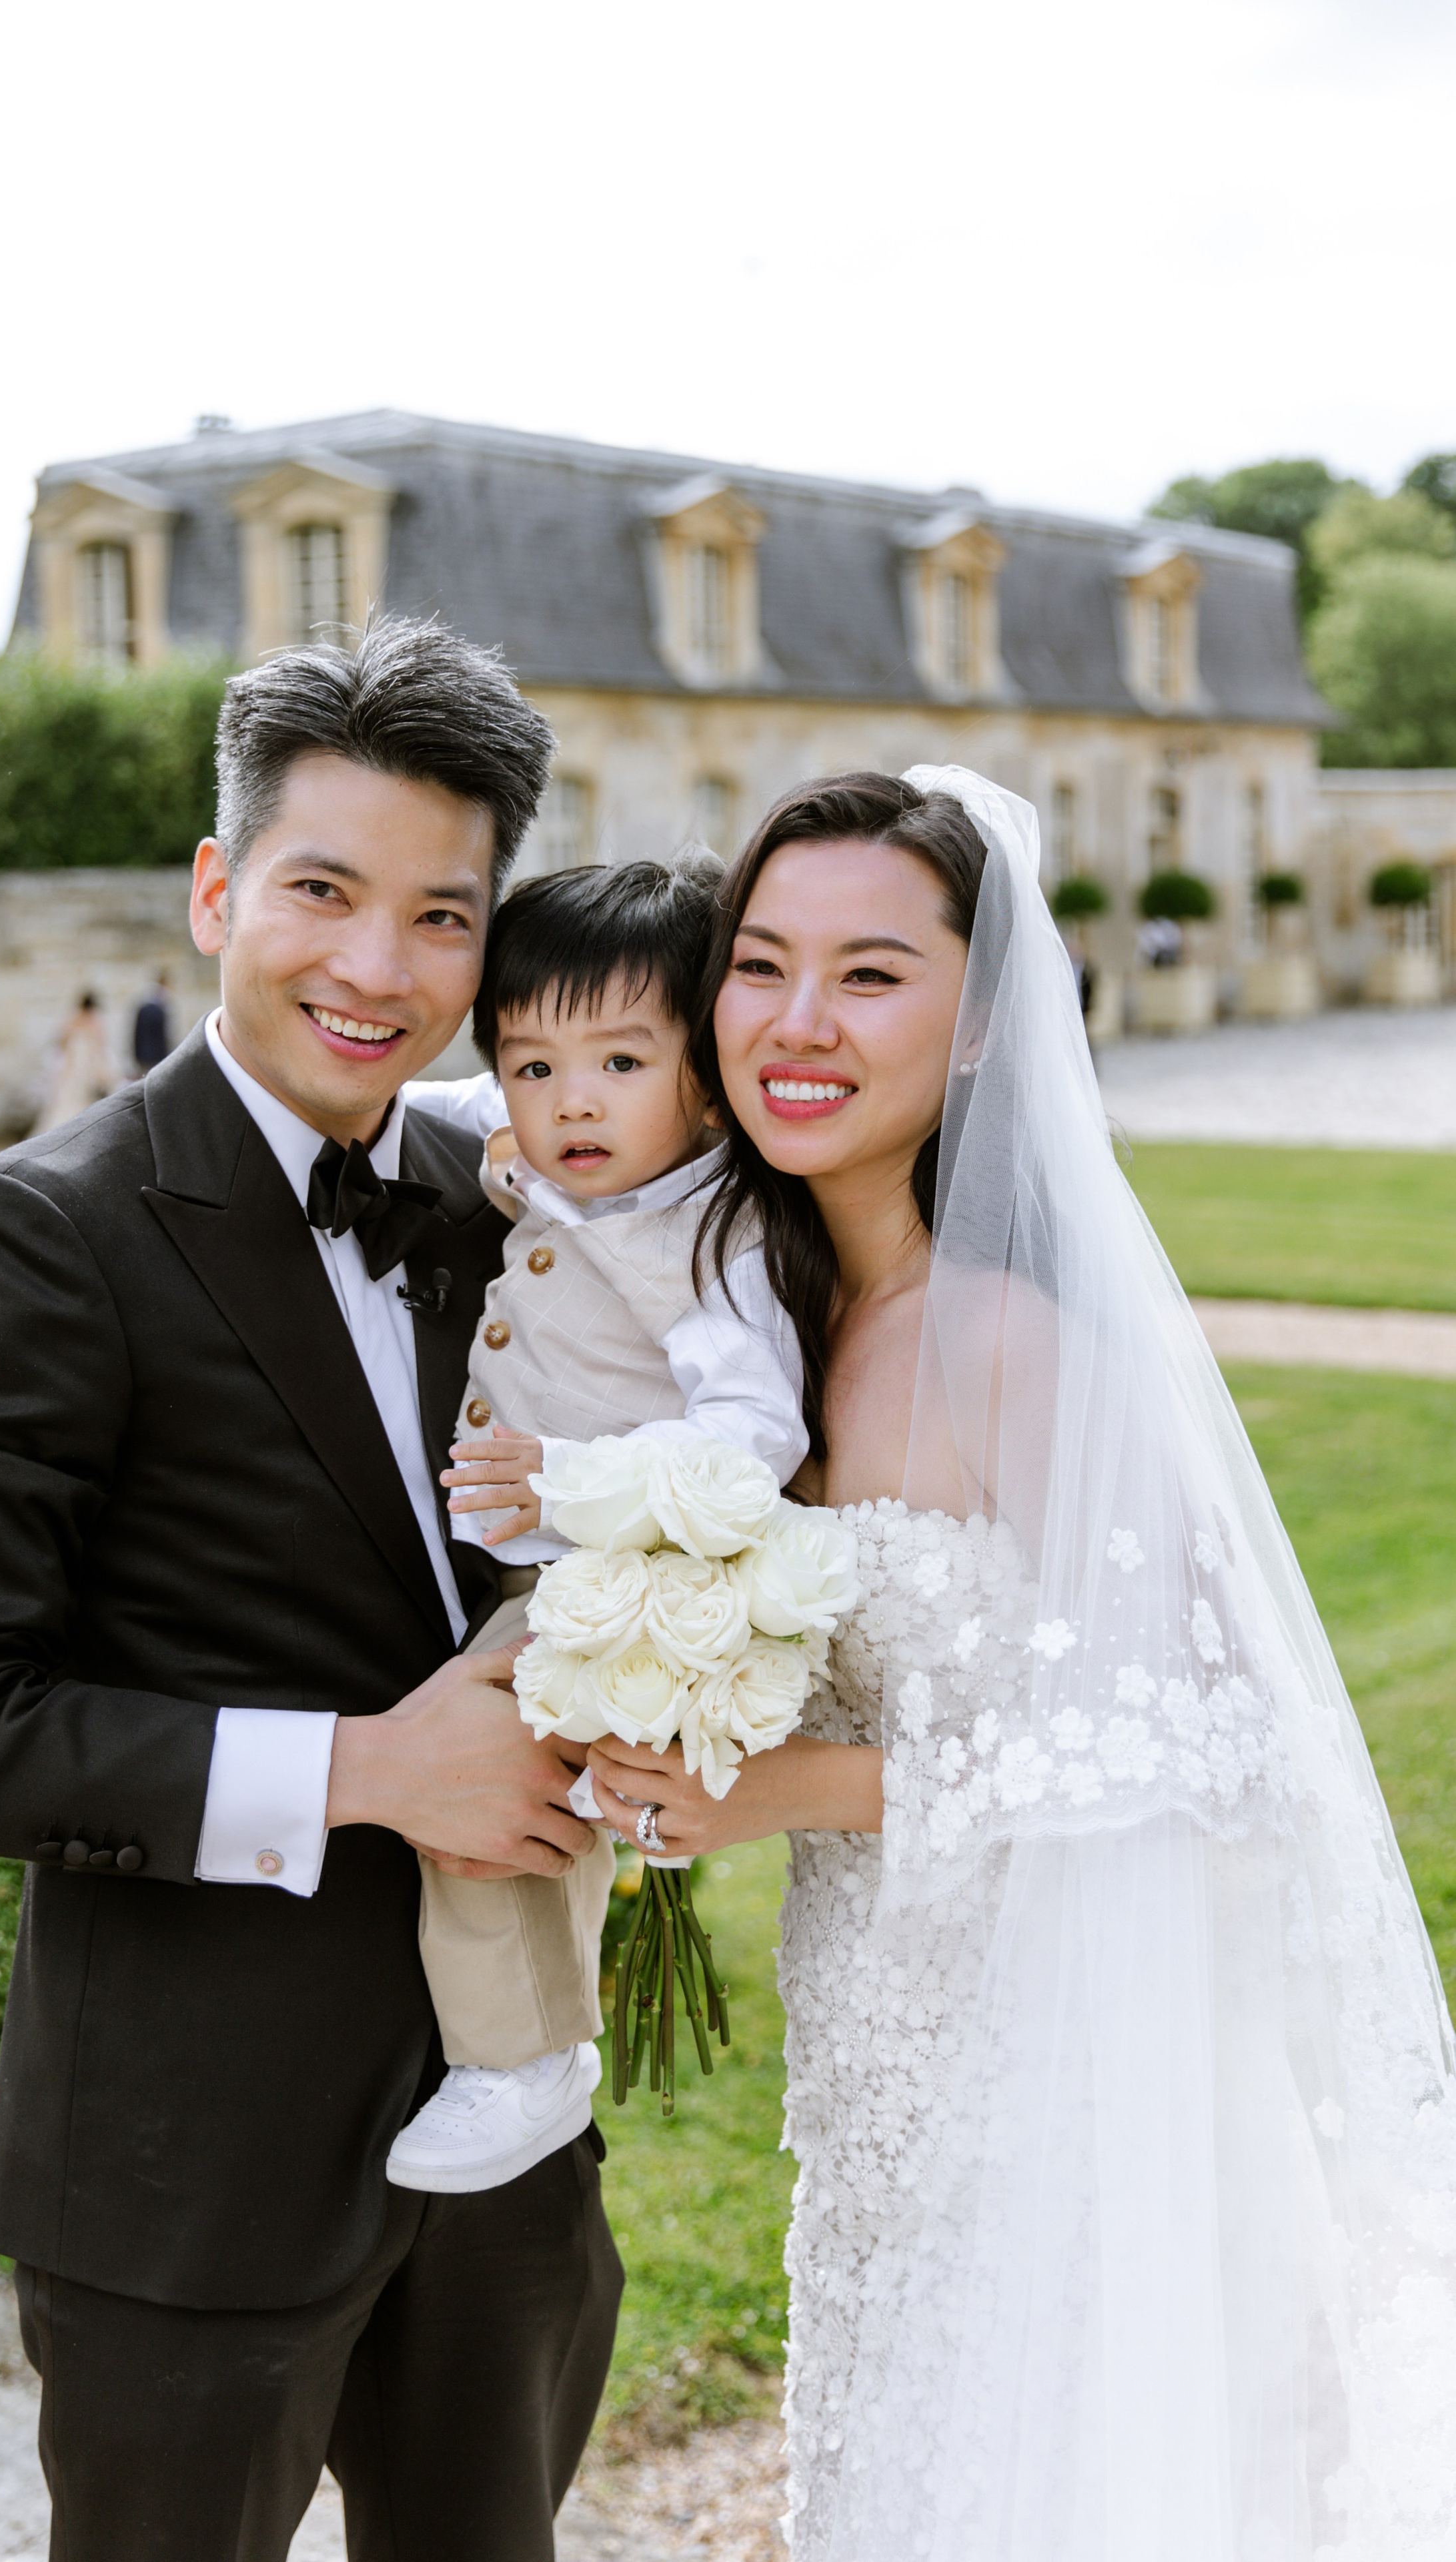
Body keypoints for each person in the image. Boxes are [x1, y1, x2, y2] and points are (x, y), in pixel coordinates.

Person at [585, 769, 1456, 2558]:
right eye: (760, 965)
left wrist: (790, 1787)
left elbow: (1215, 1744)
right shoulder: (772, 1323)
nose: (798, 1024)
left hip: (1057, 2091)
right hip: (879, 2094)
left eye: (872, 975)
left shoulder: (1006, 1338)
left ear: (982, 1020)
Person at [0, 621, 620, 2562]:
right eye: (321, 891)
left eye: (439, 915)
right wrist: (369, 1768)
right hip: (184, 2171)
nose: (376, 966)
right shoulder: (42, 1229)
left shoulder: (499, 1189)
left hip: (508, 2142)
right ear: (215, 891)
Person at [382, 855, 806, 2195]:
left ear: (702, 1069)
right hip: (506, 1559)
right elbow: (411, 1093)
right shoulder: (539, 1142)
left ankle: (524, 2054)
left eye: (619, 1063)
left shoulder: (714, 1230)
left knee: (475, 1784)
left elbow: (755, 1441)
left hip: (601, 1577)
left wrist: (564, 1479)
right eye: (530, 1065)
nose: (569, 1101)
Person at [35, 989, 116, 1132]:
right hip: (83, 1063)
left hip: (73, 1064)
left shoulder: (72, 1019)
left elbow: (61, 1042)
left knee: (68, 1099)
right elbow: (101, 1044)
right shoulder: (94, 1020)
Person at [132, 969, 174, 1076]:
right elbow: (163, 1036)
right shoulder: (160, 1010)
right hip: (157, 1056)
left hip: (143, 1055)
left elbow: (137, 1034)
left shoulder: (143, 1008)